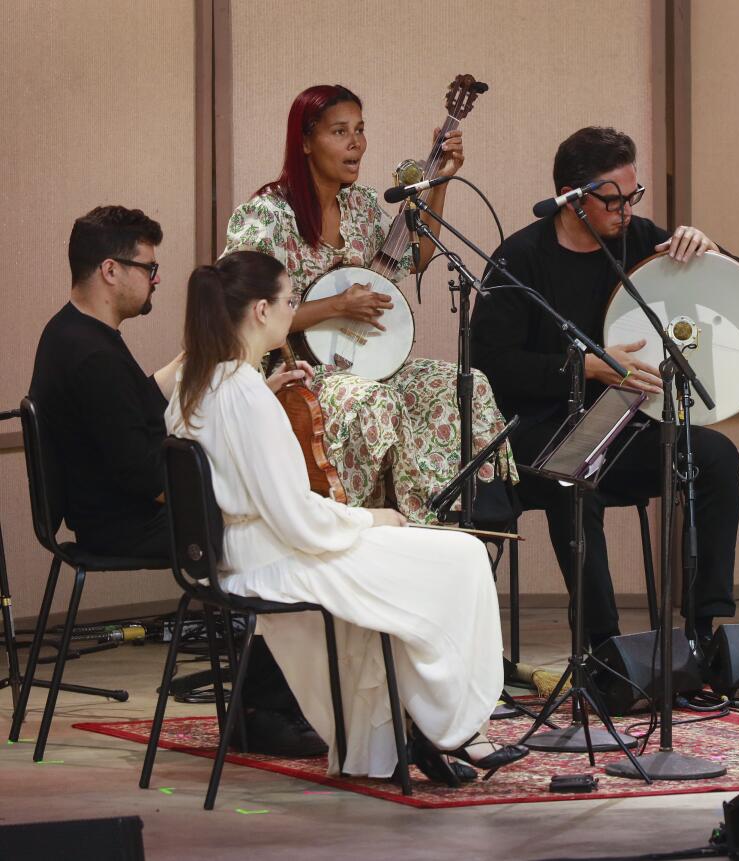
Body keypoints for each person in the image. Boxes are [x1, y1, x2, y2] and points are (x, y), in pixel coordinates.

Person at [165, 250, 528, 784]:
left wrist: (265, 399)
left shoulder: (200, 385)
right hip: (278, 556)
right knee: (465, 555)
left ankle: (409, 733)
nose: (294, 312)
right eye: (290, 301)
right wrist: (372, 519)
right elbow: (297, 522)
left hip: (240, 553)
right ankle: (454, 727)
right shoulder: (244, 394)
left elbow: (239, 455)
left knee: (423, 572)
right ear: (261, 310)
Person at [29, 205, 323, 757]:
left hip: (108, 509)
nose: (155, 279)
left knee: (265, 522)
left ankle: (266, 703)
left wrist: (228, 368)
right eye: (148, 267)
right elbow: (144, 474)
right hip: (120, 523)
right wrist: (237, 481)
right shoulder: (90, 355)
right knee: (274, 536)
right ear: (111, 271)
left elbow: (140, 403)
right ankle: (260, 711)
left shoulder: (77, 333)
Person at [471, 126, 739, 651]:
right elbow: (494, 366)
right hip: (541, 429)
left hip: (624, 421)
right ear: (573, 200)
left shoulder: (639, 241)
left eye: (632, 196)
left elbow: (734, 292)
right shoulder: (520, 259)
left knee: (714, 458)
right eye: (612, 200)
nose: (626, 211)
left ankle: (704, 631)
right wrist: (586, 366)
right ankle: (603, 648)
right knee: (575, 478)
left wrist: (712, 252)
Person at [223, 84, 515, 520]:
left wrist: (441, 181)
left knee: (461, 383)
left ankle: (453, 516)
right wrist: (336, 305)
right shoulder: (268, 215)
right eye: (339, 131)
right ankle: (365, 526)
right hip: (297, 372)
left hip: (368, 365)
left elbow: (417, 256)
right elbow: (238, 310)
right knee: (372, 400)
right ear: (304, 141)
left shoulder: (359, 205)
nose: (355, 142)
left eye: (359, 130)